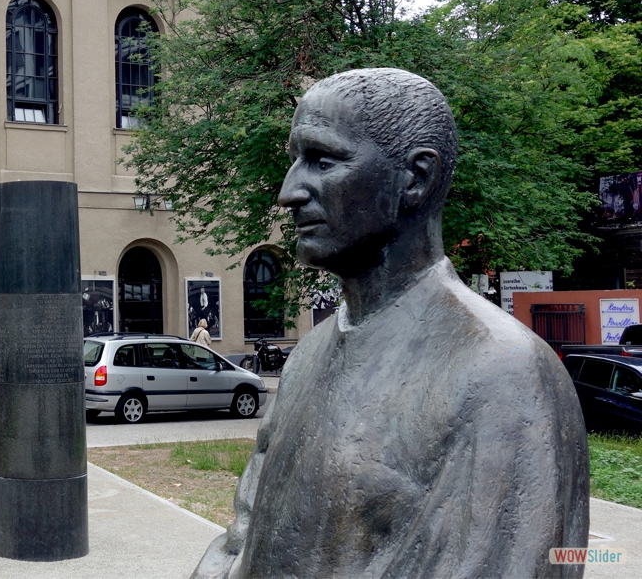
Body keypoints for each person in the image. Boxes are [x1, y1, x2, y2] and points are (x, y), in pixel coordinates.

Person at [192, 68, 588, 579]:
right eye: (295, 161)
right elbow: (243, 539)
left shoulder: (502, 373)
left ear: (415, 179)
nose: (289, 192)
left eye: (322, 160)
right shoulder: (309, 355)